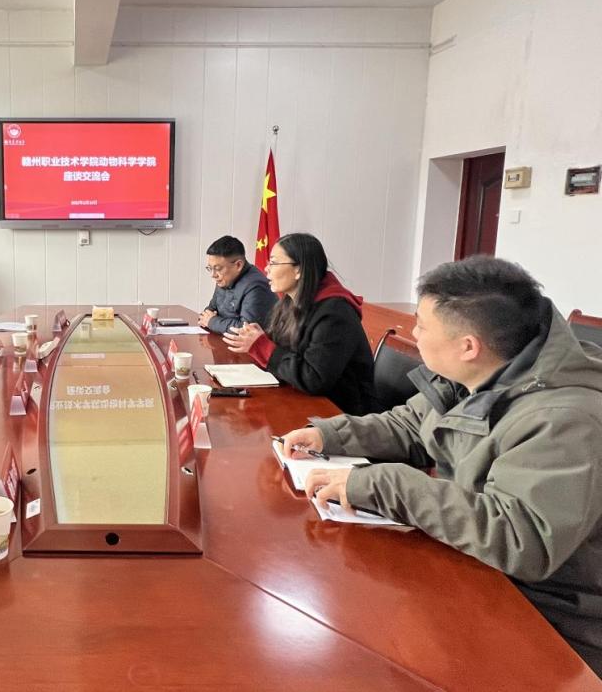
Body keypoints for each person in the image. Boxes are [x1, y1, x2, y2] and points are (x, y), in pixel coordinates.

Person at [278, 255, 602, 676]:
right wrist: (331, 435)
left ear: (468, 346)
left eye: (421, 326)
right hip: (476, 568)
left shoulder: (565, 420)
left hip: (548, 621)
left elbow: (522, 538)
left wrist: (385, 484)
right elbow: (413, 425)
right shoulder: (485, 369)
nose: (413, 334)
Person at [223, 233, 375, 415]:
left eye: (274, 263)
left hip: (343, 414)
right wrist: (257, 339)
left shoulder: (335, 312)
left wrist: (263, 346)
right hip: (304, 401)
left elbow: (314, 379)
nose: (266, 269)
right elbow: (280, 347)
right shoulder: (291, 300)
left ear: (299, 270)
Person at [198, 235, 277, 333]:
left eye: (218, 268)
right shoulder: (224, 279)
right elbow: (209, 312)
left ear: (238, 265)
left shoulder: (256, 286)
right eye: (210, 268)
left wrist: (212, 322)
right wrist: (207, 319)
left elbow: (247, 330)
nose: (213, 275)